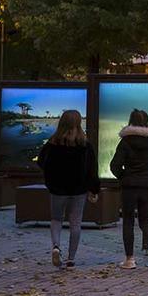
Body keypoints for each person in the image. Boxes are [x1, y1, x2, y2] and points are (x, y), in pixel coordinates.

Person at [36, 110, 99, 268]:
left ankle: (56, 247)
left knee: (56, 219)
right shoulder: (85, 145)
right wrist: (94, 189)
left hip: (57, 189)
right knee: (75, 224)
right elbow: (92, 170)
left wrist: (50, 179)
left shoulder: (52, 143)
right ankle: (71, 258)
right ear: (79, 123)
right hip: (79, 190)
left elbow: (41, 161)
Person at [110, 109, 148, 270]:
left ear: (131, 122)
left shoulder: (126, 141)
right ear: (147, 122)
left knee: (128, 221)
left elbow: (114, 165)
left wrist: (123, 177)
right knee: (145, 221)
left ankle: (129, 260)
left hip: (129, 187)